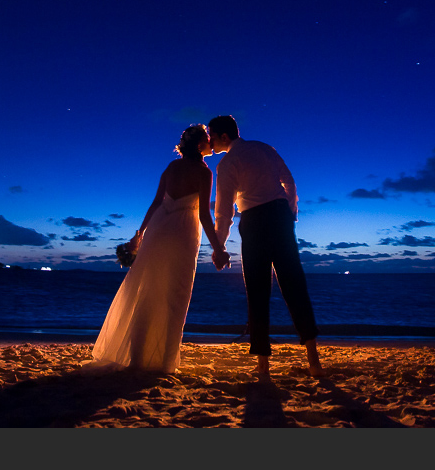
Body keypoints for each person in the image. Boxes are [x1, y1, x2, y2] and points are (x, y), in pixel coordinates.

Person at [92, 124, 230, 373]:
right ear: (199, 145)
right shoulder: (204, 172)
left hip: (158, 228)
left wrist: (139, 235)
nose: (211, 143)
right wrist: (218, 248)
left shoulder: (171, 167)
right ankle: (164, 363)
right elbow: (205, 216)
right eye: (207, 139)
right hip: (182, 231)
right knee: (174, 293)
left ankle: (138, 359)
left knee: (148, 289)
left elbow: (155, 203)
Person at [208, 114, 324, 380]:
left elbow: (223, 211)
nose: (211, 143)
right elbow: (289, 181)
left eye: (213, 137)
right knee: (294, 284)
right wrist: (290, 212)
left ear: (225, 137)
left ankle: (263, 365)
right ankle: (313, 360)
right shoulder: (264, 148)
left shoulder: (227, 163)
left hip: (255, 222)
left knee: (258, 291)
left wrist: (219, 246)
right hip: (280, 217)